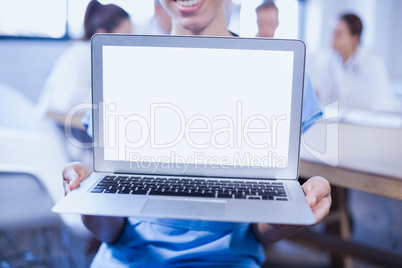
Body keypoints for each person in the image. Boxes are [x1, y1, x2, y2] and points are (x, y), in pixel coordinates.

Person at [63, 1, 331, 266]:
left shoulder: (280, 69)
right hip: (125, 260)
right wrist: (90, 199)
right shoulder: (119, 64)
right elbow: (108, 232)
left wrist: (292, 213)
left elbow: (262, 231)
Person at [37, 0, 132, 130]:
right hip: (51, 134)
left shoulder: (95, 55)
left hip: (69, 126)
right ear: (102, 34)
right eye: (126, 35)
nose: (130, 42)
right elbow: (68, 100)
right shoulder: (81, 54)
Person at [314, 13, 397, 111]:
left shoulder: (372, 63)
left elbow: (377, 102)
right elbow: (325, 97)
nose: (332, 38)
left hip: (365, 121)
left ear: (356, 38)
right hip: (337, 119)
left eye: (338, 34)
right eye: (331, 32)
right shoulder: (328, 61)